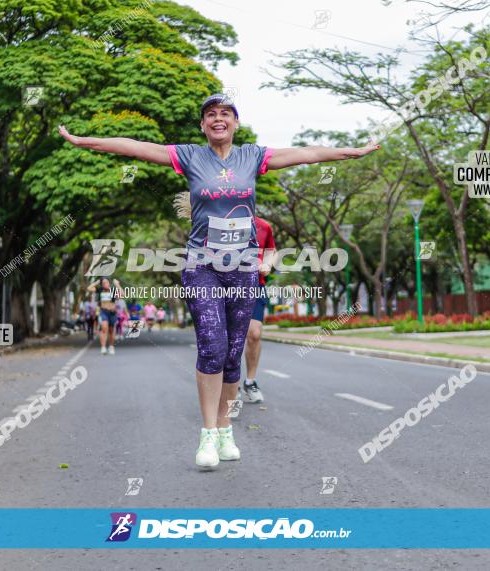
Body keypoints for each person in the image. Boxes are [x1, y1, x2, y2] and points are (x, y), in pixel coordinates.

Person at [59, 93, 379, 469]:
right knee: (212, 344)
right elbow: (136, 148)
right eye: (210, 114)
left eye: (225, 113)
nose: (218, 119)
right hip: (202, 265)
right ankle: (208, 434)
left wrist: (351, 152)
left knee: (232, 351)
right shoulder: (190, 156)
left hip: (243, 267)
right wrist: (84, 141)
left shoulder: (253, 157)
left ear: (235, 123)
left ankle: (226, 428)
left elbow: (307, 153)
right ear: (203, 125)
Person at [240, 216, 277, 404]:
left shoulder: (263, 226)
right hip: (225, 288)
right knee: (229, 338)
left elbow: (271, 250)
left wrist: (268, 264)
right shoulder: (221, 221)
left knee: (254, 334)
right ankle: (229, 383)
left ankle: (250, 381)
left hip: (255, 286)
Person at [87, 277, 122, 354]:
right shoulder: (99, 291)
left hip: (112, 312)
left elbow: (122, 294)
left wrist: (117, 284)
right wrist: (96, 282)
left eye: (106, 282)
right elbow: (89, 288)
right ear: (102, 285)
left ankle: (111, 346)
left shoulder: (113, 290)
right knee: (104, 328)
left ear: (109, 283)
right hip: (103, 311)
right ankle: (103, 347)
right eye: (103, 283)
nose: (105, 284)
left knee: (111, 330)